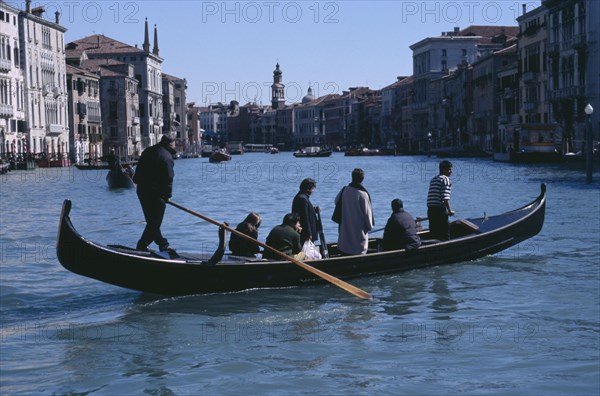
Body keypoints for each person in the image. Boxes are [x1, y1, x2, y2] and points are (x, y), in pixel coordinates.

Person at [133, 134, 177, 253]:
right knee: (154, 222)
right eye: (174, 143)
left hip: (142, 191)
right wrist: (167, 196)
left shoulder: (148, 151)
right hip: (156, 194)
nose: (175, 146)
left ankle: (162, 244)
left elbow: (136, 175)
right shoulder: (167, 156)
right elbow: (169, 178)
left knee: (152, 221)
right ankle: (142, 245)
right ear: (170, 144)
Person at [335, 168, 374, 255]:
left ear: (352, 177)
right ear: (362, 179)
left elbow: (336, 201)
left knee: (345, 249)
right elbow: (367, 214)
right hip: (359, 233)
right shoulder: (363, 194)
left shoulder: (344, 190)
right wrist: (370, 227)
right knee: (358, 250)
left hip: (345, 229)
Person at [427, 160, 454, 241]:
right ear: (443, 170)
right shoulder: (446, 179)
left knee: (434, 233)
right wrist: (449, 211)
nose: (451, 172)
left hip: (431, 209)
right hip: (439, 210)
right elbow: (445, 198)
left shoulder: (433, 179)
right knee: (445, 232)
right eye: (449, 169)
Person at [291, 178, 318, 243]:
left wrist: (314, 210)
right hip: (305, 232)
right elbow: (305, 217)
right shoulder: (303, 199)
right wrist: (308, 233)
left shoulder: (302, 197)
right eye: (312, 189)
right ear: (308, 188)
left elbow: (305, 210)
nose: (313, 191)